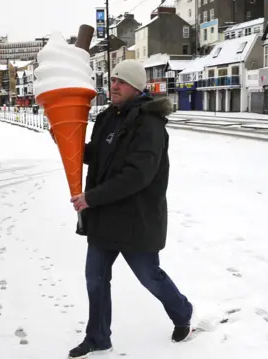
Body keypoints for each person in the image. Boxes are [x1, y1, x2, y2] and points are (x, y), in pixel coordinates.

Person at [65, 59, 194, 359]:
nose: (114, 86)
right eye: (112, 81)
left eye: (120, 82)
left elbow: (138, 176)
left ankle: (183, 313)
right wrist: (67, 142)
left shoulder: (150, 125)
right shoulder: (108, 118)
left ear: (136, 86)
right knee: (95, 278)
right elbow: (97, 157)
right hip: (104, 219)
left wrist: (91, 198)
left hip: (136, 219)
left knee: (149, 276)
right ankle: (98, 337)